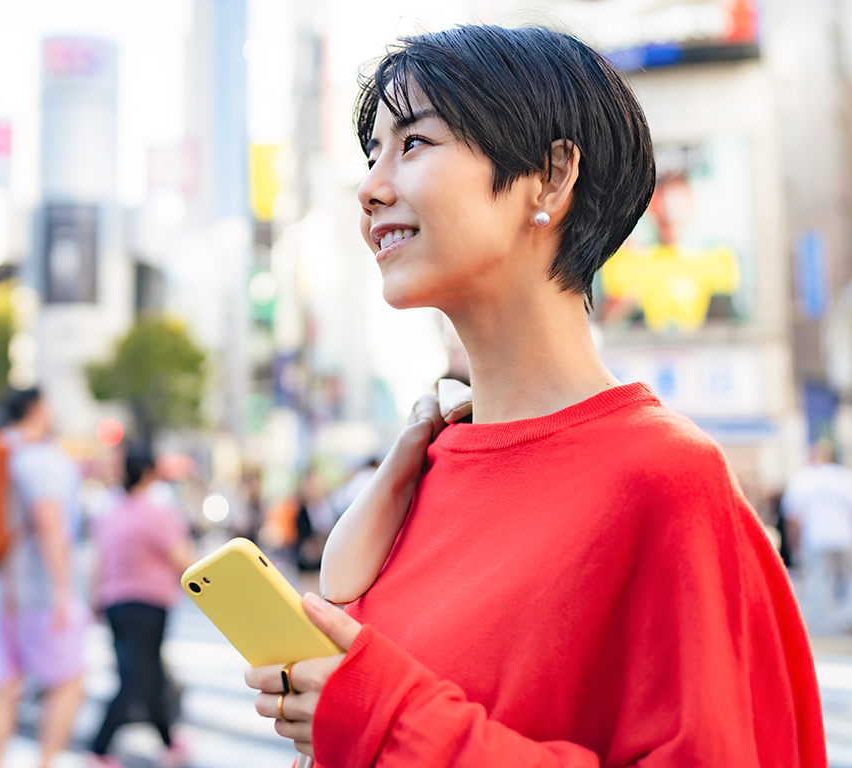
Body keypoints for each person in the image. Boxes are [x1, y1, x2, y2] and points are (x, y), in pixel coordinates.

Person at [240, 25, 823, 767]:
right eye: (372, 155)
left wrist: (386, 718)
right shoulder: (424, 466)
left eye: (414, 143)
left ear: (549, 177)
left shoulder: (666, 479)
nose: (371, 188)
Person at [0, 389, 87, 768]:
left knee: (1, 689)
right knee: (68, 681)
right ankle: (45, 762)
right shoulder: (41, 458)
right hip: (36, 593)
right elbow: (49, 521)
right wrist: (64, 591)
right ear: (37, 409)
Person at [87, 448, 195, 768]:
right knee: (138, 677)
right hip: (148, 602)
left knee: (145, 673)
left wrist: (95, 598)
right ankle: (98, 750)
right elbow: (182, 557)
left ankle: (168, 741)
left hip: (114, 604)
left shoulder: (110, 511)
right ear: (149, 473)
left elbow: (99, 558)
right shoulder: (156, 513)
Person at [783, 438, 852, 635]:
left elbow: (793, 517)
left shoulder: (803, 478)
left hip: (816, 539)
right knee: (847, 580)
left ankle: (820, 623)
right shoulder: (843, 477)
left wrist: (794, 544)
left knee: (818, 580)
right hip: (843, 537)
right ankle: (846, 618)